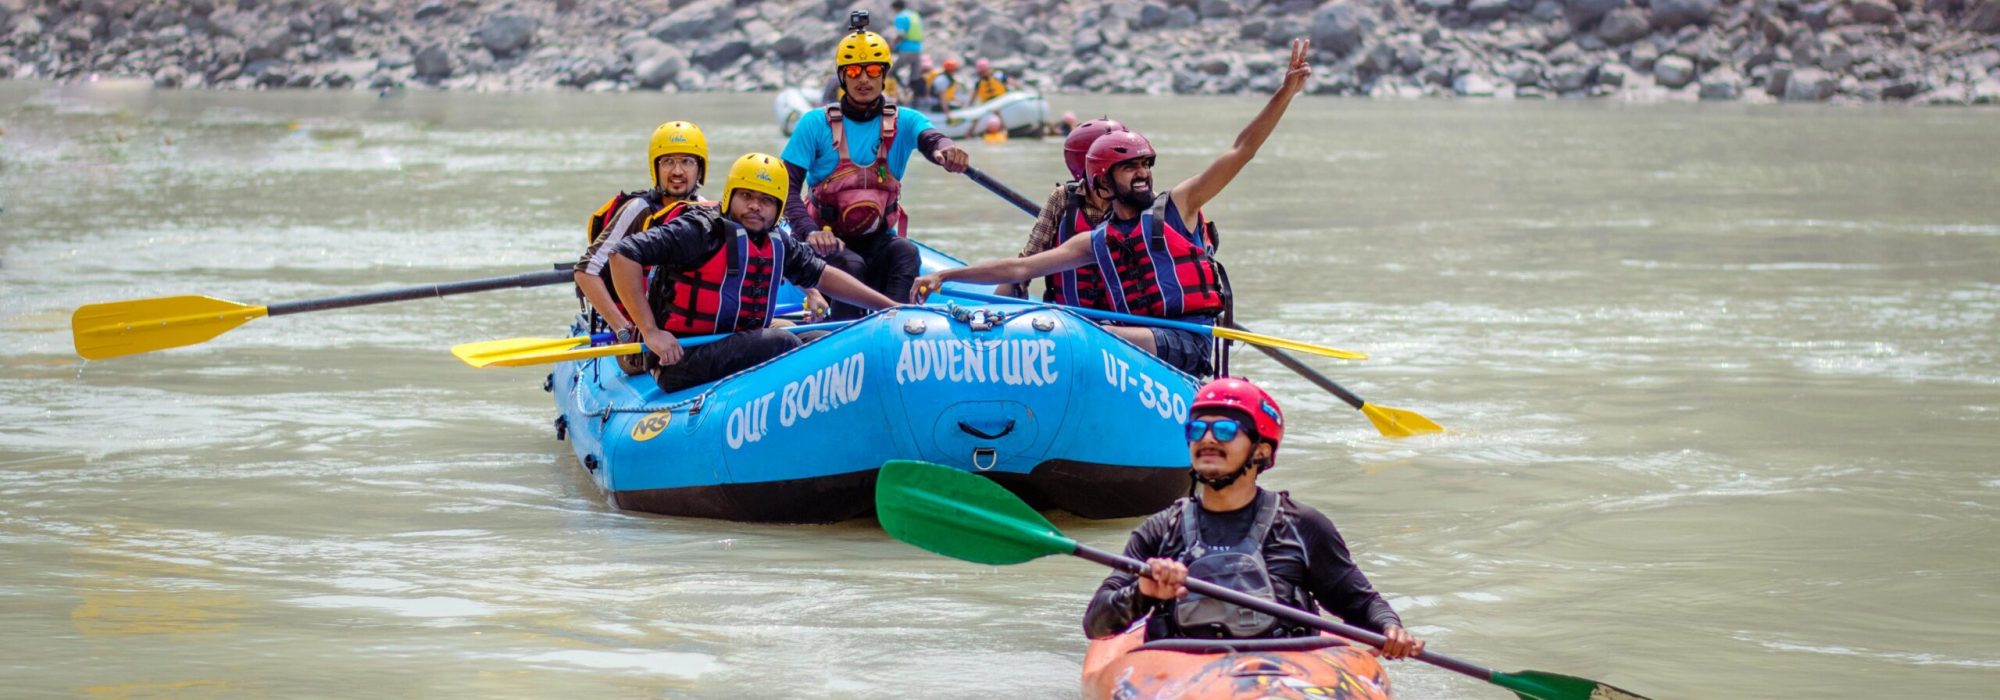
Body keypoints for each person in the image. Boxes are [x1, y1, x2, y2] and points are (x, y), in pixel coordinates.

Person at [912, 39, 1317, 377]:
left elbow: (1241, 150)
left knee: (1086, 334)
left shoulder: (1180, 206)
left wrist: (1286, 92)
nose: (1142, 174)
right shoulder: (1097, 240)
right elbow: (1020, 269)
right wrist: (945, 276)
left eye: (1145, 165)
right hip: (1136, 339)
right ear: (1103, 182)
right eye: (1129, 168)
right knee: (1072, 327)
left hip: (1188, 341)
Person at [1082, 377, 1426, 659]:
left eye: (1225, 430)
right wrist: (1143, 591)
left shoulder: (1302, 525)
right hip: (1181, 678)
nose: (1207, 439)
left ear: (1261, 450)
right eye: (1197, 429)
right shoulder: (1160, 530)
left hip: (1282, 679)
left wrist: (1390, 629)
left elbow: (1361, 603)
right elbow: (1096, 625)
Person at [608, 153, 899, 393]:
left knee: (826, 341)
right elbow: (621, 255)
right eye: (746, 196)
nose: (755, 206)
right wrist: (651, 332)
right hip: (679, 357)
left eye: (766, 200)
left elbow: (823, 275)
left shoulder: (778, 241)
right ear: (730, 196)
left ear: (778, 208)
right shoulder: (699, 230)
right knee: (782, 342)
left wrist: (890, 307)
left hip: (735, 343)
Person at [782, 27, 970, 321]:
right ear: (842, 77)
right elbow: (786, 189)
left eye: (872, 70)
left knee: (905, 253)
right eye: (854, 71)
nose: (864, 79)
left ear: (884, 75)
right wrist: (810, 232)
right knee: (850, 264)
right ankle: (843, 331)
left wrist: (948, 151)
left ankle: (898, 326)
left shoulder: (905, 120)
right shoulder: (814, 124)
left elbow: (933, 140)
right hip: (824, 242)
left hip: (878, 238)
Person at [574, 121, 711, 375]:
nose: (677, 171)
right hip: (640, 339)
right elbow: (585, 271)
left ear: (700, 169)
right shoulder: (638, 210)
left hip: (688, 329)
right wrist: (623, 329)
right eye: (668, 162)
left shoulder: (707, 211)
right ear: (655, 168)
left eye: (687, 162)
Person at [997, 117, 1125, 301]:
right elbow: (1029, 258)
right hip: (1066, 311)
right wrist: (1012, 290)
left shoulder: (1137, 199)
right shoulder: (1062, 198)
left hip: (1121, 314)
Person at [890, 0, 924, 96]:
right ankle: (916, 97)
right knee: (915, 76)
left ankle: (903, 90)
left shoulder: (901, 16)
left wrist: (891, 45)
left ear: (896, 8)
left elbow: (901, 34)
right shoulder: (914, 16)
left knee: (891, 71)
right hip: (918, 48)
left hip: (907, 49)